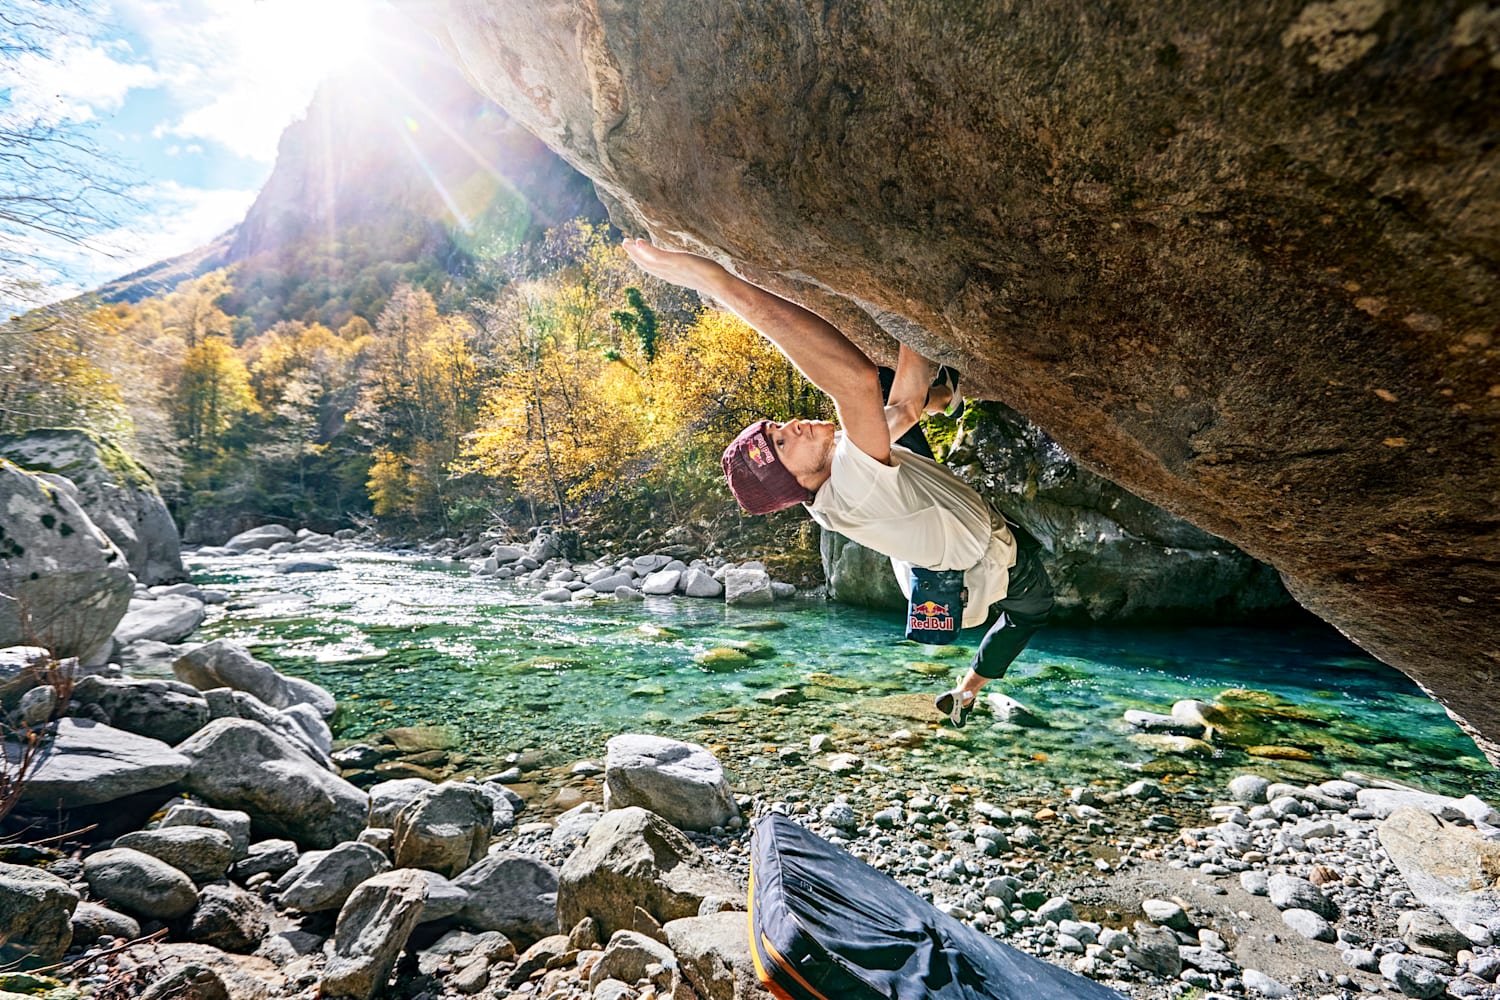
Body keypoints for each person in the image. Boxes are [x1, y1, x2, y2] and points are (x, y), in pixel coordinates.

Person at [622, 238, 1053, 727]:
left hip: (917, 541)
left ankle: (946, 396)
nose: (792, 426)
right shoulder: (851, 485)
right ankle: (967, 689)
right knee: (1032, 612)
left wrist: (916, 313)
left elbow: (902, 405)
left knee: (892, 414)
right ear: (797, 478)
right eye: (783, 445)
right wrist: (716, 282)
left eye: (776, 428)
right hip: (985, 566)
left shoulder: (834, 471)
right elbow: (856, 380)